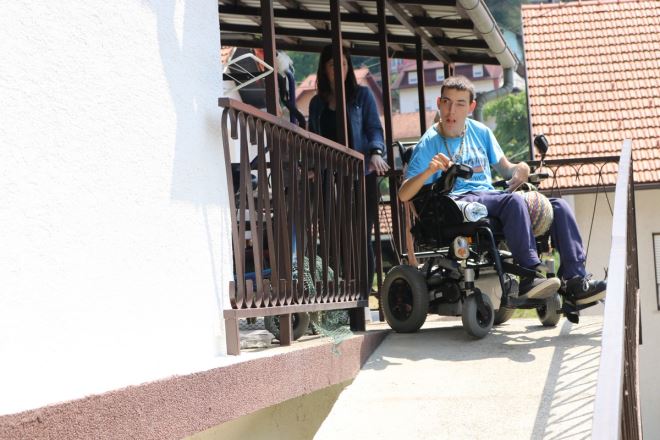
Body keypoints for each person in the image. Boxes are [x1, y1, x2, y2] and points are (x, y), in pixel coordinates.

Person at [399, 75, 606, 307]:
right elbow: (404, 194)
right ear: (439, 103)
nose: (451, 111)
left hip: (490, 198)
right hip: (457, 204)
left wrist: (522, 168)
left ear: (471, 107)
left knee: (558, 207)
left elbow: (507, 169)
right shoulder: (428, 143)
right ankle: (529, 275)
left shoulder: (481, 132)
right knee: (513, 202)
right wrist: (428, 171)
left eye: (459, 104)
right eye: (446, 102)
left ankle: (575, 281)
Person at [308, 45, 389, 293]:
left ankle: (363, 294)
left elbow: (374, 128)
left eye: (343, 64)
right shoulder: (316, 103)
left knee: (361, 236)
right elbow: (312, 138)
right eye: (334, 64)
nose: (339, 69)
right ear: (324, 69)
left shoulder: (362, 96)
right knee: (334, 237)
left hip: (360, 176)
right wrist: (311, 167)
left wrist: (376, 152)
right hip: (329, 179)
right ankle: (340, 293)